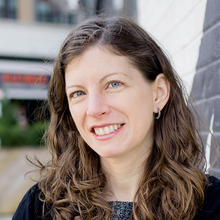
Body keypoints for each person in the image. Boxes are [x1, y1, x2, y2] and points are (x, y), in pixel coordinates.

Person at [12, 16, 220, 220]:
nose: (94, 109)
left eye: (113, 84)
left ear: (158, 93)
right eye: (78, 93)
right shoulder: (39, 208)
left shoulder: (211, 204)